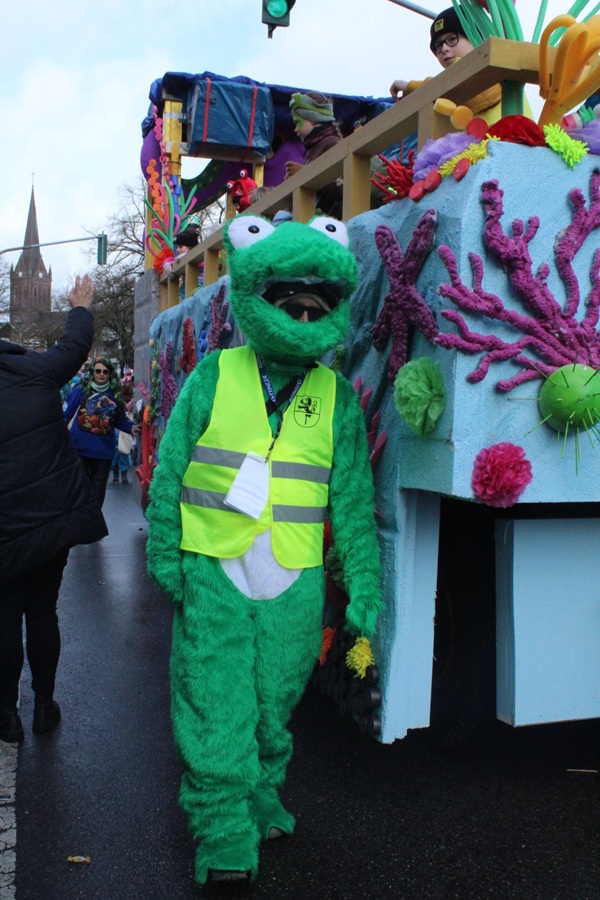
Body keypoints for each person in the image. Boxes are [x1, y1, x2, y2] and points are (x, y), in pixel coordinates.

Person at [146, 215, 383, 886]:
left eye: (315, 308)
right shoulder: (214, 374)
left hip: (293, 575)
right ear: (258, 298)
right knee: (216, 698)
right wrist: (165, 550)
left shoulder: (336, 397)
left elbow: (352, 499)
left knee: (275, 700)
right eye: (290, 304)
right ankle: (222, 826)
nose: (303, 317)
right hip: (214, 566)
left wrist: (362, 582)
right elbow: (171, 468)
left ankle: (260, 790)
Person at [0, 275, 108, 744]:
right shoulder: (37, 370)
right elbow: (75, 345)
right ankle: (44, 706)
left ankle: (6, 716)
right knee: (43, 612)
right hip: (51, 522)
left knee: (5, 619)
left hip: (5, 532)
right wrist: (80, 305)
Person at [390, 7, 505, 126]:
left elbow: (473, 91)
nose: (444, 49)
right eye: (438, 46)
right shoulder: (450, 98)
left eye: (452, 39)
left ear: (475, 37)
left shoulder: (496, 69)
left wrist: (410, 86)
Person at [63, 356, 140, 507]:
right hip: (79, 451)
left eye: (105, 371)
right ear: (92, 372)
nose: (101, 374)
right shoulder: (81, 390)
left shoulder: (114, 394)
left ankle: (93, 521)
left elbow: (119, 419)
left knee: (97, 498)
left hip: (103, 453)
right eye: (98, 371)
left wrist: (131, 427)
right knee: (79, 495)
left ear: (110, 374)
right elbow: (65, 415)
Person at [285, 91, 344, 217]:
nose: (295, 129)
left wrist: (304, 173)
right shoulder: (315, 148)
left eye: (297, 122)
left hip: (329, 220)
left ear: (312, 119)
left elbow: (341, 188)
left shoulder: (332, 144)